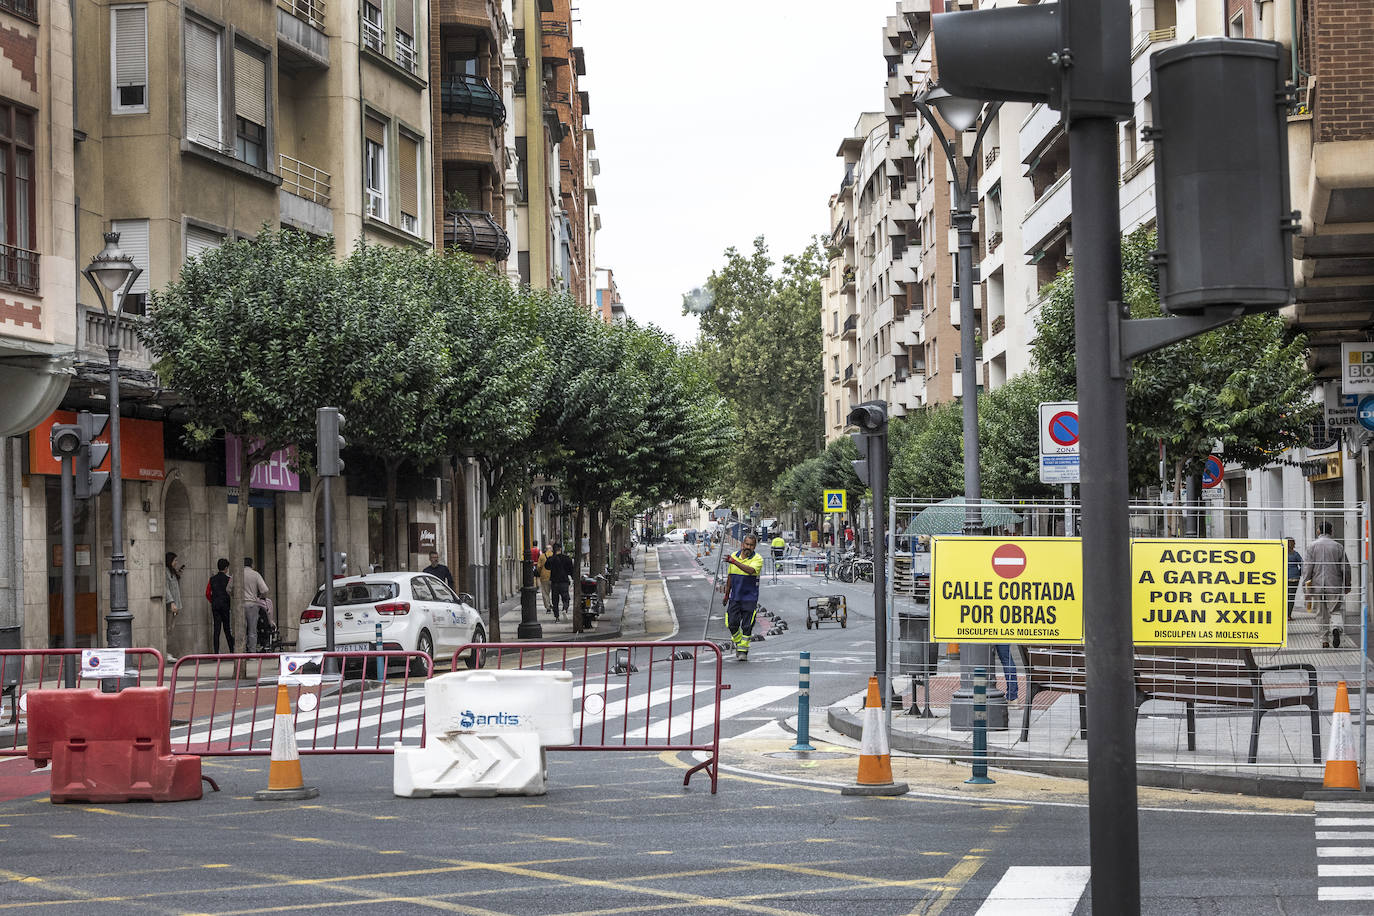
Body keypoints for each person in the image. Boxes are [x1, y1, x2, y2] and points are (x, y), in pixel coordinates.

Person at [1304, 522, 1351, 648]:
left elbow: (1308, 568)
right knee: (1335, 610)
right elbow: (1345, 567)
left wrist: (1306, 585)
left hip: (1317, 585)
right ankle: (1336, 628)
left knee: (1321, 612)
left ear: (1318, 531)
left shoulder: (1311, 546)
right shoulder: (1338, 546)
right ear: (1332, 531)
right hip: (1334, 585)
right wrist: (1347, 584)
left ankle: (1324, 640)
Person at [723, 534, 764, 660]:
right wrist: (726, 594)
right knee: (731, 623)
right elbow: (730, 576)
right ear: (742, 544)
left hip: (750, 598)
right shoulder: (734, 556)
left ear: (754, 546)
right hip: (735, 597)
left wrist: (734, 562)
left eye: (751, 545)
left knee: (747, 626)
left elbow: (750, 571)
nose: (748, 547)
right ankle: (739, 642)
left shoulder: (758, 559)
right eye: (746, 544)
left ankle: (743, 652)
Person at [240, 557, 270, 653]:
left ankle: (241, 652)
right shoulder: (255, 574)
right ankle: (252, 652)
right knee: (252, 630)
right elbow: (265, 589)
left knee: (241, 630)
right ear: (252, 565)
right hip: (252, 604)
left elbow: (228, 589)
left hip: (240, 605)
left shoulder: (237, 574)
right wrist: (259, 597)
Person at [207, 558, 234, 654]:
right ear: (226, 568)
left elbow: (207, 593)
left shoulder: (212, 579)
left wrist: (213, 601)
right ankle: (232, 650)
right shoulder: (229, 579)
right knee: (227, 629)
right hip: (225, 606)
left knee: (216, 630)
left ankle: (216, 652)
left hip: (215, 606)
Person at [545, 543, 575, 622]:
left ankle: (557, 617)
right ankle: (565, 608)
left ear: (553, 550)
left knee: (555, 600)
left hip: (554, 582)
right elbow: (571, 570)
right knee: (566, 598)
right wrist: (572, 577)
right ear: (560, 549)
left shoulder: (551, 559)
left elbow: (546, 566)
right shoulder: (566, 558)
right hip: (564, 581)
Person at [1286, 537, 1303, 621]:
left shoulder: (1281, 553)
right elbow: (1303, 565)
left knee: (1283, 597)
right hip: (1294, 578)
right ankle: (1288, 615)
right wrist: (1299, 573)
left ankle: (1282, 615)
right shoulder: (1295, 554)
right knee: (1291, 597)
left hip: (1283, 578)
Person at [164, 552, 184, 620]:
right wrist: (171, 602)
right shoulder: (166, 572)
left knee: (172, 626)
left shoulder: (172, 571)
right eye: (175, 560)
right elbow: (166, 588)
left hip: (176, 603)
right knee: (169, 627)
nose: (176, 562)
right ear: (170, 561)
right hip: (171, 605)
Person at [536, 543, 553, 612]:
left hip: (544, 576)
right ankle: (553, 604)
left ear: (545, 550)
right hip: (553, 576)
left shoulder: (542, 556)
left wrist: (540, 572)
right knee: (554, 592)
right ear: (551, 549)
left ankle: (548, 606)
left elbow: (538, 567)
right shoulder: (554, 555)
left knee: (545, 592)